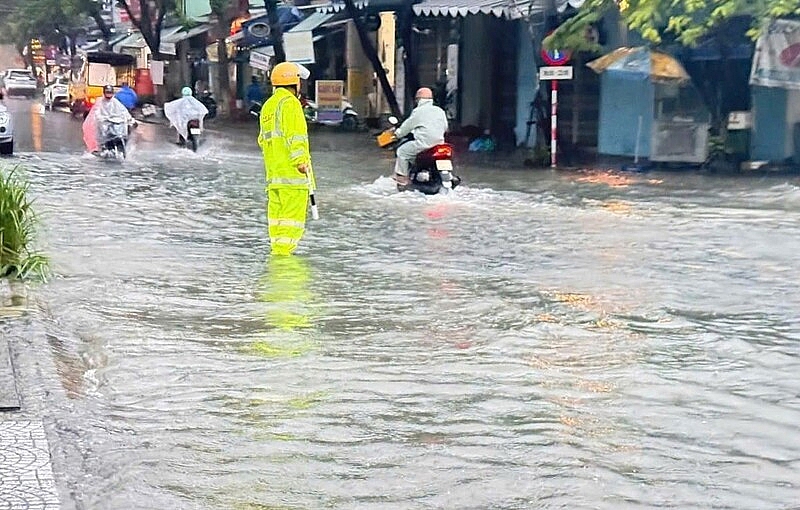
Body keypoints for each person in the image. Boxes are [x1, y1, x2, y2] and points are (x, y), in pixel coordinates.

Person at [258, 62, 314, 256]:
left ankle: (277, 255)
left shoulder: (268, 106)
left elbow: (262, 140)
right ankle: (284, 263)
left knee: (277, 223)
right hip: (293, 177)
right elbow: (296, 135)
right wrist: (301, 162)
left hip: (274, 177)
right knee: (292, 223)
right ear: (295, 82)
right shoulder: (290, 104)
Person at [392, 87, 449, 185]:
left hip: (423, 144)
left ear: (418, 100)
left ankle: (402, 178)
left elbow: (407, 126)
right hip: (439, 145)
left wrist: (397, 134)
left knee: (402, 151)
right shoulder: (440, 111)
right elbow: (445, 127)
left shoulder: (418, 111)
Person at [82, 84, 134, 153]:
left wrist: (130, 120)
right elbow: (96, 111)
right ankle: (103, 149)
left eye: (110, 92)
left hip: (115, 125)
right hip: (104, 126)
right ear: (104, 93)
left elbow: (123, 111)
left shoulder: (115, 102)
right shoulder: (100, 101)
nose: (109, 95)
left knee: (122, 137)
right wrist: (99, 119)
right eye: (107, 92)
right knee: (103, 140)